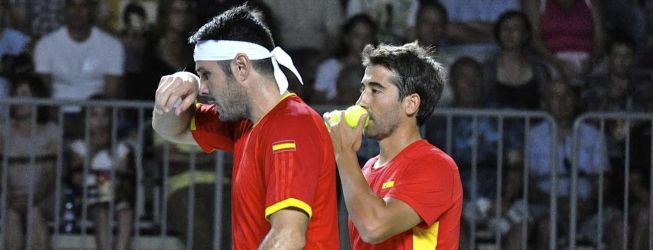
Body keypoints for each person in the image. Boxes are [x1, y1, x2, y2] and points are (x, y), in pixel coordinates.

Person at [151, 5, 339, 249]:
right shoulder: (244, 122)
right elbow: (170, 129)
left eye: (206, 75)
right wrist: (181, 87)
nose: (203, 89)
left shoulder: (290, 125)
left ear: (241, 67)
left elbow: (288, 237)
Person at [327, 42, 462, 249]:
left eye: (376, 90)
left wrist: (343, 153)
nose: (361, 101)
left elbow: (374, 227)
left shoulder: (436, 165)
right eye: (363, 89)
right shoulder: (365, 169)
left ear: (411, 104)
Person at [68, 95, 135, 250]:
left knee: (126, 212)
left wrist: (112, 153)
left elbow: (124, 177)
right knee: (101, 211)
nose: (100, 121)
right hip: (88, 194)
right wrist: (93, 149)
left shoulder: (121, 148)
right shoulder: (78, 147)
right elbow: (77, 178)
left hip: (116, 191)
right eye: (94, 115)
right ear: (86, 119)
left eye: (105, 115)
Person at [1, 75, 59, 250]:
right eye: (16, 94)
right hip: (9, 194)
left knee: (34, 212)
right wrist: (9, 195)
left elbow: (50, 173)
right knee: (11, 214)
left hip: (44, 195)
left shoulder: (52, 131)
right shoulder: (2, 129)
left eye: (25, 93)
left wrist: (35, 197)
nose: (19, 99)